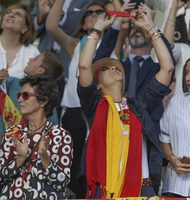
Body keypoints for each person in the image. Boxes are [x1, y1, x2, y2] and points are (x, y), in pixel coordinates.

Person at [77, 5, 174, 198]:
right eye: (105, 69)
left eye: (117, 67)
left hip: (141, 189)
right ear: (97, 85)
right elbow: (84, 65)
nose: (113, 68)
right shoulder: (94, 106)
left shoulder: (138, 106)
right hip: (104, 189)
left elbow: (168, 68)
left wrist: (150, 28)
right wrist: (97, 29)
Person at [46, 0, 125, 197]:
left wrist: (115, 9)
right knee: (71, 164)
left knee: (94, 163)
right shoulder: (75, 44)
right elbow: (51, 27)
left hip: (103, 110)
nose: (94, 14)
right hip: (74, 111)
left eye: (100, 12)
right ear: (82, 22)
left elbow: (119, 21)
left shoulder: (115, 40)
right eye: (89, 12)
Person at [0, 75, 73, 199]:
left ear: (43, 101)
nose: (19, 100)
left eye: (26, 95)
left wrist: (44, 157)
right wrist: (20, 159)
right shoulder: (12, 134)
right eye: (19, 95)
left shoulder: (61, 136)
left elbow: (62, 182)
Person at [160, 53, 190, 198]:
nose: (188, 78)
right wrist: (172, 159)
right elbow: (164, 138)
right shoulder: (176, 102)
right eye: (186, 73)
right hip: (174, 186)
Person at [164, 0, 190, 94]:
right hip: (182, 106)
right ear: (189, 29)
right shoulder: (182, 49)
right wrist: (173, 9)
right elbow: (166, 46)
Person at [0, 4, 39, 80]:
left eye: (18, 14)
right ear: (1, 24)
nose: (11, 15)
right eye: (8, 12)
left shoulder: (33, 53)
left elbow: (37, 85)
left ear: (25, 28)